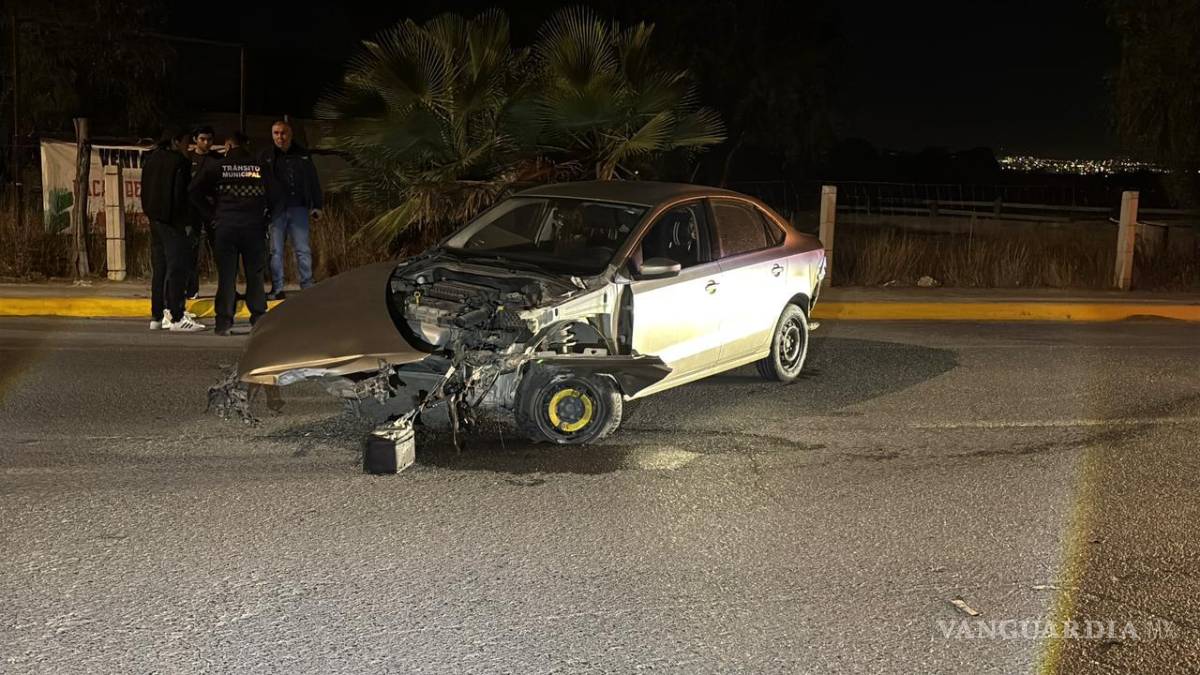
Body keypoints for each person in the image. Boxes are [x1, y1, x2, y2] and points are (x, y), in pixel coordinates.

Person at [190, 132, 269, 336]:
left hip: (225, 227)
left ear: (228, 146)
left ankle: (223, 322)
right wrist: (266, 218)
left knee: (226, 277)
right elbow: (277, 194)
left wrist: (211, 215)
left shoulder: (218, 167)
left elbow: (194, 191)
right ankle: (259, 318)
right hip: (253, 228)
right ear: (247, 145)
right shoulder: (259, 167)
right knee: (255, 275)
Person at [142, 127, 208, 332]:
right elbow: (182, 194)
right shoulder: (179, 162)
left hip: (155, 220)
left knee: (160, 268)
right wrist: (185, 222)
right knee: (178, 267)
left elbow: (144, 190)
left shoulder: (150, 159)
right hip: (173, 222)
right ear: (175, 141)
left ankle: (157, 315)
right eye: (186, 141)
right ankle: (177, 316)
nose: (188, 146)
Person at [261, 120, 323, 300]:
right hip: (276, 210)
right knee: (276, 251)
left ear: (290, 134)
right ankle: (277, 288)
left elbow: (313, 180)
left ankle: (307, 285)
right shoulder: (266, 156)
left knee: (303, 249)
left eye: (283, 133)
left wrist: (317, 205)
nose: (279, 137)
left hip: (299, 208)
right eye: (276, 133)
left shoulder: (302, 154)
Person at [186, 125, 222, 299]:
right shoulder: (187, 159)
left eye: (209, 139)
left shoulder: (217, 159)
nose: (206, 143)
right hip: (193, 211)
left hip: (213, 211)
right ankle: (191, 289)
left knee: (220, 250)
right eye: (202, 139)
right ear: (195, 140)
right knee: (191, 251)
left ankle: (226, 288)